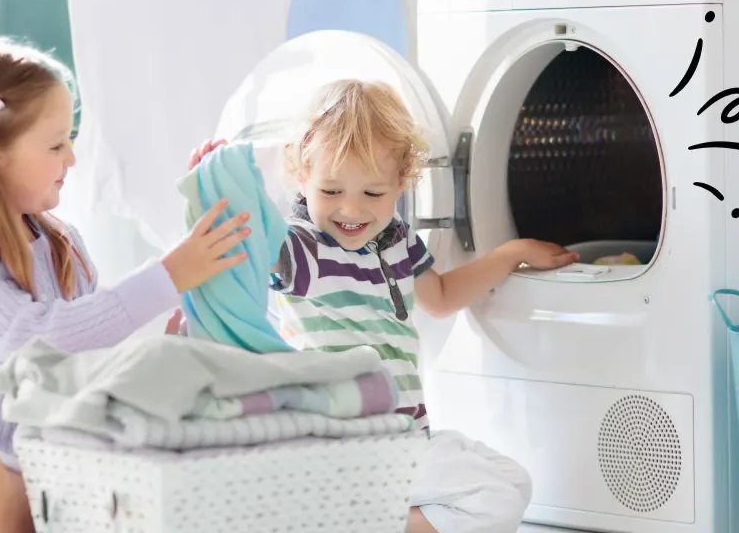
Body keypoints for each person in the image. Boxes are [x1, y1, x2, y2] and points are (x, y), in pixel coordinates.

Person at [0, 35, 251, 533]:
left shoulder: (62, 244)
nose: (72, 159)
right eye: (57, 144)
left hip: (53, 467)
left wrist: (182, 316)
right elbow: (32, 342)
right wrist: (168, 275)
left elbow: (93, 353)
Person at [187, 79, 580, 532]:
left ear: (401, 183)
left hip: (406, 433)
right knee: (494, 502)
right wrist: (217, 188)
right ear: (302, 177)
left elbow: (443, 297)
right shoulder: (303, 247)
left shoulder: (395, 240)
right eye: (331, 191)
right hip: (348, 445)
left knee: (515, 481)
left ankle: (349, 520)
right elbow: (246, 243)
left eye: (372, 193)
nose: (350, 210)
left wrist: (510, 253)